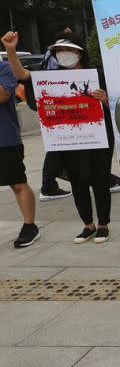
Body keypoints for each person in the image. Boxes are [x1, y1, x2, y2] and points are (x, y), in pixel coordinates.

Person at [4, 32, 115, 243]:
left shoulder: (97, 75)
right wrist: (11, 49)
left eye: (69, 50)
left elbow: (117, 105)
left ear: (80, 53)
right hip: (69, 139)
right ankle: (88, 225)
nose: (65, 54)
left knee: (100, 180)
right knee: (77, 181)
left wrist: (106, 100)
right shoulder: (51, 77)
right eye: (60, 51)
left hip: (98, 137)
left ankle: (103, 224)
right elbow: (22, 74)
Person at [0, 37, 39, 248]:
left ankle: (29, 225)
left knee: (16, 182)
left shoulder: (4, 68)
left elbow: (3, 94)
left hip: (5, 139)